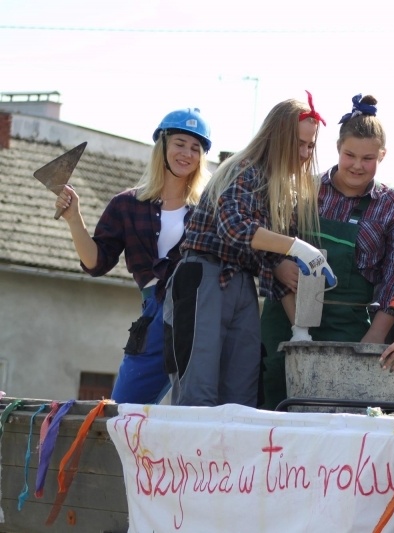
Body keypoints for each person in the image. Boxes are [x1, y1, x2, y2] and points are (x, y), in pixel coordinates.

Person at [164, 93, 334, 408]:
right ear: (277, 137)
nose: (304, 153)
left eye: (310, 145)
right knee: (198, 395)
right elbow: (235, 228)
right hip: (204, 277)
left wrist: (300, 331)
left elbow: (270, 260)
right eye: (298, 143)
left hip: (243, 285)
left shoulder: (286, 190)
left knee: (241, 399)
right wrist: (297, 247)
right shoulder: (245, 169)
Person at [260, 94, 394, 410]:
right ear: (337, 149)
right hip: (285, 322)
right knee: (275, 406)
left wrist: (373, 340)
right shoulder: (302, 189)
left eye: (368, 158)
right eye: (350, 155)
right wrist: (279, 271)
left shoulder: (393, 208)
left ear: (382, 156)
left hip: (350, 331)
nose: (357, 165)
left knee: (337, 416)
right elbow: (268, 248)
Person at [55, 108, 212, 404]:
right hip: (154, 314)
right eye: (180, 143)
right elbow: (96, 263)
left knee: (198, 410)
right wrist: (74, 218)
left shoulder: (209, 207)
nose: (187, 154)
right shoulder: (127, 204)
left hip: (201, 312)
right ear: (162, 145)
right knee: (124, 409)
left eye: (196, 148)